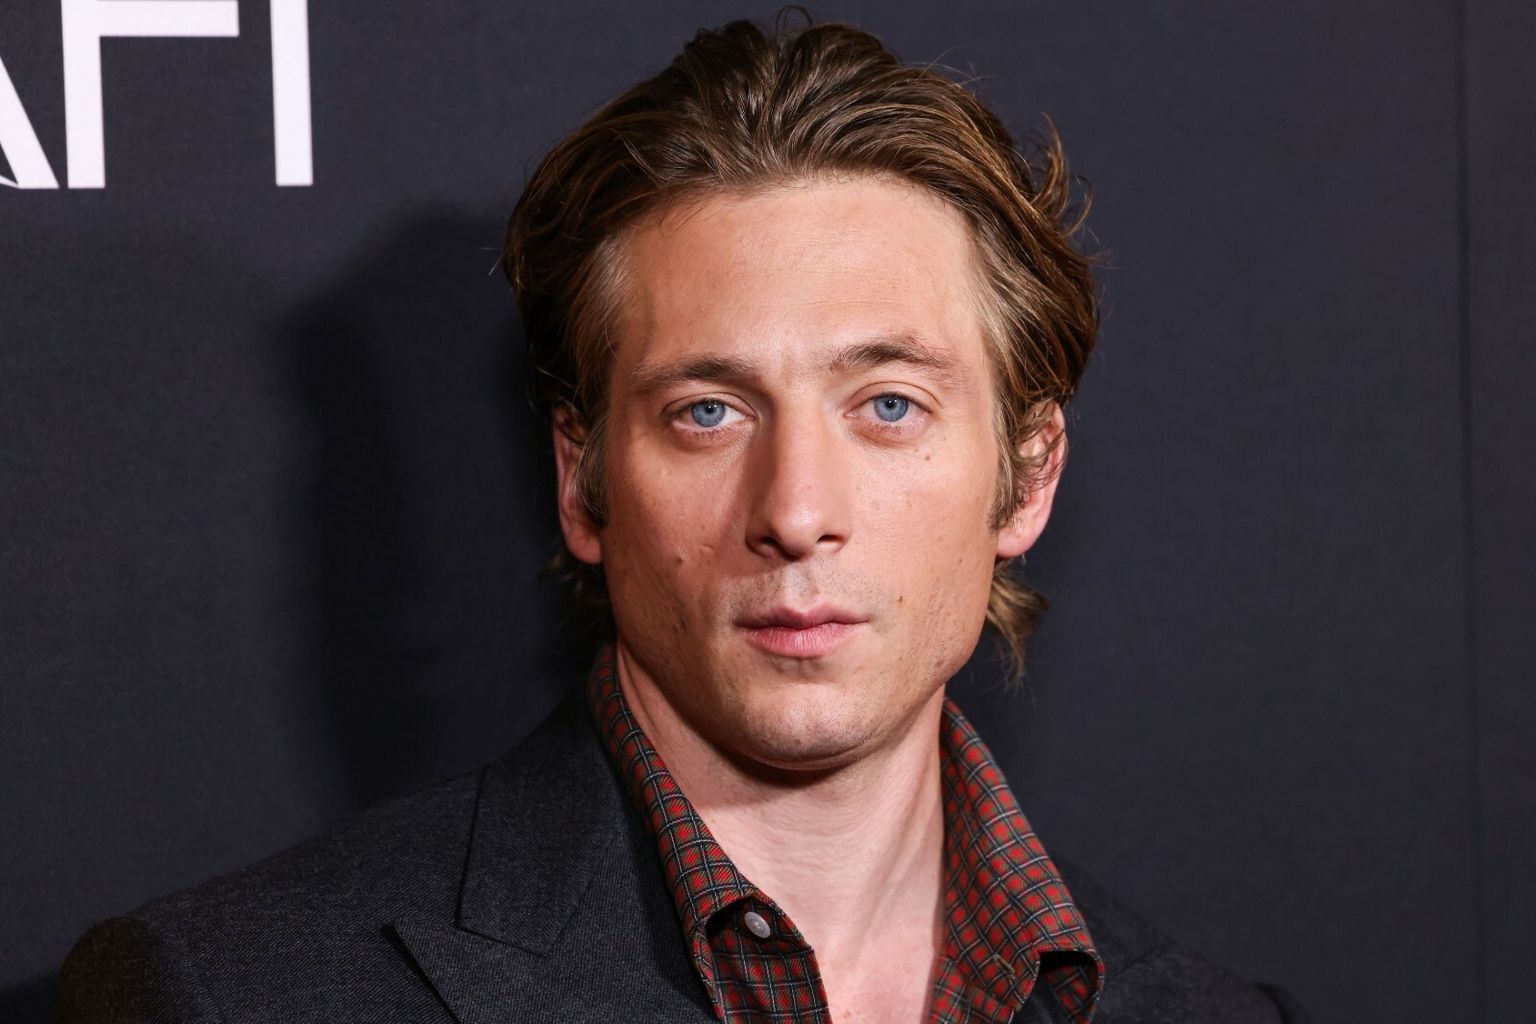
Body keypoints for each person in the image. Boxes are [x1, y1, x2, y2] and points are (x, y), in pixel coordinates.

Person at [58, 16, 1302, 1023]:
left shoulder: (1214, 1013)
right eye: (708, 412)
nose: (796, 511)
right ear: (583, 480)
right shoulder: (230, 994)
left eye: (887, 404)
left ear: (1025, 480)